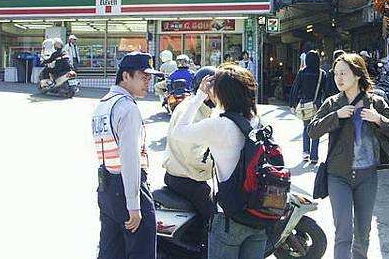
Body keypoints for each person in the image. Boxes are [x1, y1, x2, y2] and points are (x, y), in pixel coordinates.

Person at [308, 53, 389, 259]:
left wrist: (378, 119)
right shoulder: (333, 103)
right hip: (337, 175)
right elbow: (312, 131)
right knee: (344, 232)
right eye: (335, 74)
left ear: (357, 75)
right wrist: (336, 116)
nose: (338, 78)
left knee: (362, 233)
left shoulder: (376, 102)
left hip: (366, 175)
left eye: (343, 73)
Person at [172, 64, 267, 259]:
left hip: (230, 218)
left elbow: (178, 132)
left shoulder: (219, 126)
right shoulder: (258, 121)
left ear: (222, 94)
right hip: (260, 216)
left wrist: (199, 96)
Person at [91, 52, 163, 259]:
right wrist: (134, 204)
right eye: (143, 77)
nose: (147, 83)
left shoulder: (102, 105)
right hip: (128, 188)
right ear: (125, 76)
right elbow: (130, 159)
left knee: (110, 252)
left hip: (106, 189)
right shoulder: (128, 108)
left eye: (149, 78)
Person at [163, 67, 217, 247]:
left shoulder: (191, 106)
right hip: (187, 179)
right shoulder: (195, 112)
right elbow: (195, 155)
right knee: (217, 220)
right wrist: (217, 166)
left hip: (179, 173)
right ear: (207, 89)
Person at [290, 50, 326, 164]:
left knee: (306, 128)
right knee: (316, 128)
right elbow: (326, 90)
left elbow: (295, 88)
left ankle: (305, 152)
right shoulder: (321, 73)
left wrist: (292, 103)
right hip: (317, 103)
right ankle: (314, 155)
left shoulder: (302, 72)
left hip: (305, 103)